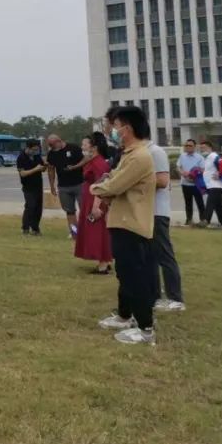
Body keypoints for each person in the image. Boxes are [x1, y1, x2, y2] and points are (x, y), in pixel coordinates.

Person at [91, 106, 158, 345]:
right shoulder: (129, 154)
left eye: (116, 126)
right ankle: (125, 316)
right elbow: (112, 180)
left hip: (132, 224)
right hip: (121, 221)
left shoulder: (139, 156)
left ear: (127, 129)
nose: (113, 130)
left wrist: (95, 188)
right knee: (125, 273)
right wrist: (106, 186)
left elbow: (112, 185)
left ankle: (145, 328)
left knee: (134, 276)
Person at [149, 138, 184, 312]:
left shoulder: (155, 152)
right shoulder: (139, 152)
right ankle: (154, 294)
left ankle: (175, 298)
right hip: (145, 212)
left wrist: (133, 179)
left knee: (164, 254)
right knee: (150, 256)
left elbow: (162, 182)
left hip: (157, 212)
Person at [74, 133, 113, 274]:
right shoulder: (94, 160)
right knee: (95, 230)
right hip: (90, 199)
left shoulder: (98, 163)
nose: (83, 147)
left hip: (95, 201)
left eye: (86, 144)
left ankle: (103, 264)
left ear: (94, 147)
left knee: (97, 231)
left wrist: (96, 206)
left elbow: (101, 185)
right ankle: (104, 261)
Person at [45, 134, 84, 238]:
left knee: (84, 209)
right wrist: (52, 186)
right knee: (69, 211)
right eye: (50, 146)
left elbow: (84, 161)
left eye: (52, 145)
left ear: (59, 141)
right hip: (63, 186)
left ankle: (86, 231)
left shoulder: (73, 148)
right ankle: (74, 232)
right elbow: (51, 170)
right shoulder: (51, 154)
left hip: (79, 184)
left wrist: (75, 167)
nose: (52, 148)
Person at [15, 139, 46, 236]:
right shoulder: (21, 157)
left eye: (37, 150)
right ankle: (25, 228)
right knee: (30, 206)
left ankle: (35, 228)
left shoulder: (37, 156)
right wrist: (35, 169)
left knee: (38, 208)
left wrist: (45, 165)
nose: (35, 152)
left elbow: (42, 169)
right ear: (28, 148)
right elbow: (23, 173)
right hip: (28, 186)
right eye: (34, 150)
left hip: (38, 185)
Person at [197, 139, 222, 228]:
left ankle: (206, 220)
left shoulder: (213, 156)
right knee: (218, 206)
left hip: (216, 185)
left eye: (204, 148)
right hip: (212, 185)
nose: (202, 150)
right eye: (201, 148)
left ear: (210, 147)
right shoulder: (207, 158)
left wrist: (220, 174)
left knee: (210, 203)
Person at [176, 139, 206, 225]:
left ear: (194, 147)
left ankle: (203, 220)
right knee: (188, 203)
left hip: (196, 184)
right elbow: (178, 167)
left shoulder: (199, 157)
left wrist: (194, 175)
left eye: (190, 145)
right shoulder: (182, 156)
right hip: (185, 184)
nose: (188, 147)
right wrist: (182, 173)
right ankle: (189, 220)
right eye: (186, 145)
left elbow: (203, 170)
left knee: (200, 202)